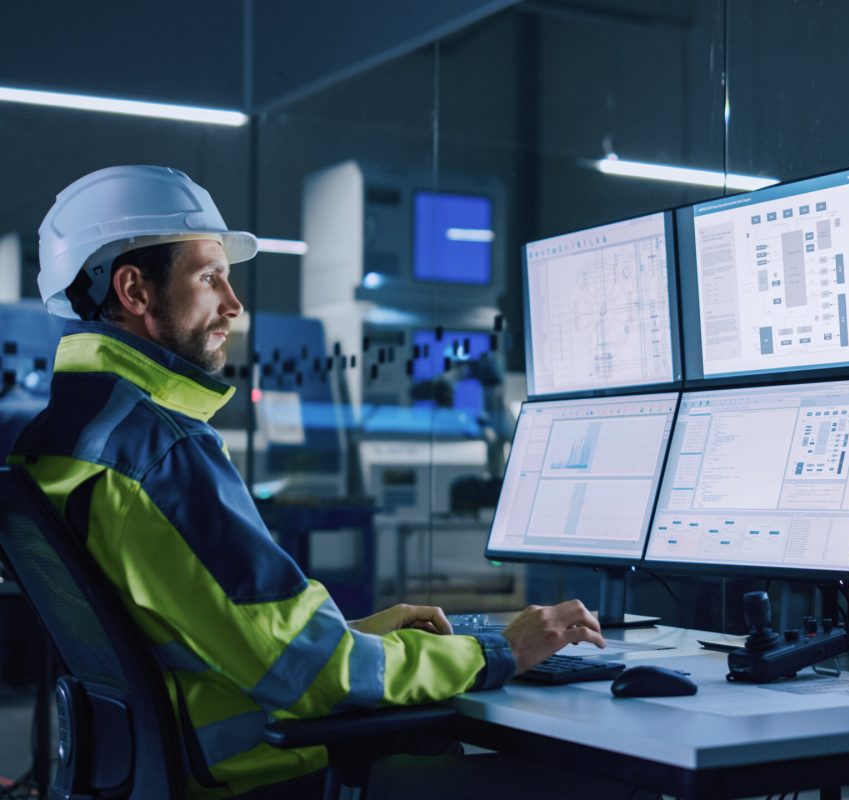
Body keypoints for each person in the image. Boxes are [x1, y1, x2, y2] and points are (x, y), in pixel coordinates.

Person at [10, 166, 644, 799]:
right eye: (209, 277)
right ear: (133, 290)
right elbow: (310, 674)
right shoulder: (161, 452)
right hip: (262, 774)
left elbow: (209, 637)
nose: (235, 304)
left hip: (160, 766)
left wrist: (356, 635)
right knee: (604, 782)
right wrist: (502, 650)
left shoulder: (60, 438)